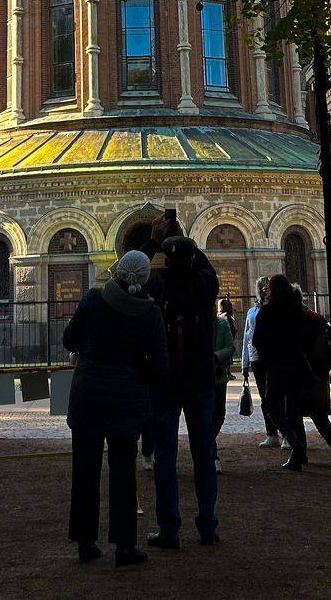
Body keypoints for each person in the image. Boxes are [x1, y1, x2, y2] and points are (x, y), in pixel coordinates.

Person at [63, 249, 168, 567]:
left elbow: (69, 339)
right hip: (126, 401)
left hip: (89, 398)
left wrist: (89, 349)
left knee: (85, 472)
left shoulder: (93, 299)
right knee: (124, 474)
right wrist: (138, 372)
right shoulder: (151, 314)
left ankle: (85, 543)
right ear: (145, 278)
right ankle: (124, 547)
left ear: (118, 271)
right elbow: (160, 367)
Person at [140, 217, 220, 548]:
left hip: (166, 384)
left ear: (168, 262)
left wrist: (154, 240)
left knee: (165, 457)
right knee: (204, 455)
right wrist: (185, 240)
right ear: (192, 258)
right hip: (200, 383)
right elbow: (207, 268)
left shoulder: (158, 287)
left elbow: (130, 271)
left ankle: (169, 529)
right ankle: (208, 527)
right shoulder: (206, 287)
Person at [252, 275, 319, 470]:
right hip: (298, 365)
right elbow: (308, 338)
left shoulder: (267, 311)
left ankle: (293, 440)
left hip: (276, 366)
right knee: (293, 410)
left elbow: (257, 341)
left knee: (270, 403)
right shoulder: (297, 310)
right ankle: (299, 455)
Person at [290, 288, 331, 465]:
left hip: (301, 372)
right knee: (318, 415)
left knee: (295, 413)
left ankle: (301, 453)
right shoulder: (316, 317)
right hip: (320, 373)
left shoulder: (294, 320)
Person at [241, 276, 284, 448]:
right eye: (260, 287)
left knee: (277, 396)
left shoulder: (276, 308)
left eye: (266, 287)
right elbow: (247, 337)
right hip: (256, 358)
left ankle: (286, 433)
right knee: (264, 397)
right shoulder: (251, 312)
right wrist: (244, 363)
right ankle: (271, 433)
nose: (262, 290)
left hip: (272, 357)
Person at [213, 304, 235, 472]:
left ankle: (207, 441)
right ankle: (212, 454)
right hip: (203, 378)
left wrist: (216, 357)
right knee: (207, 415)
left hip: (219, 376)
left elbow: (230, 347)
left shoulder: (222, 324)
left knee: (219, 414)